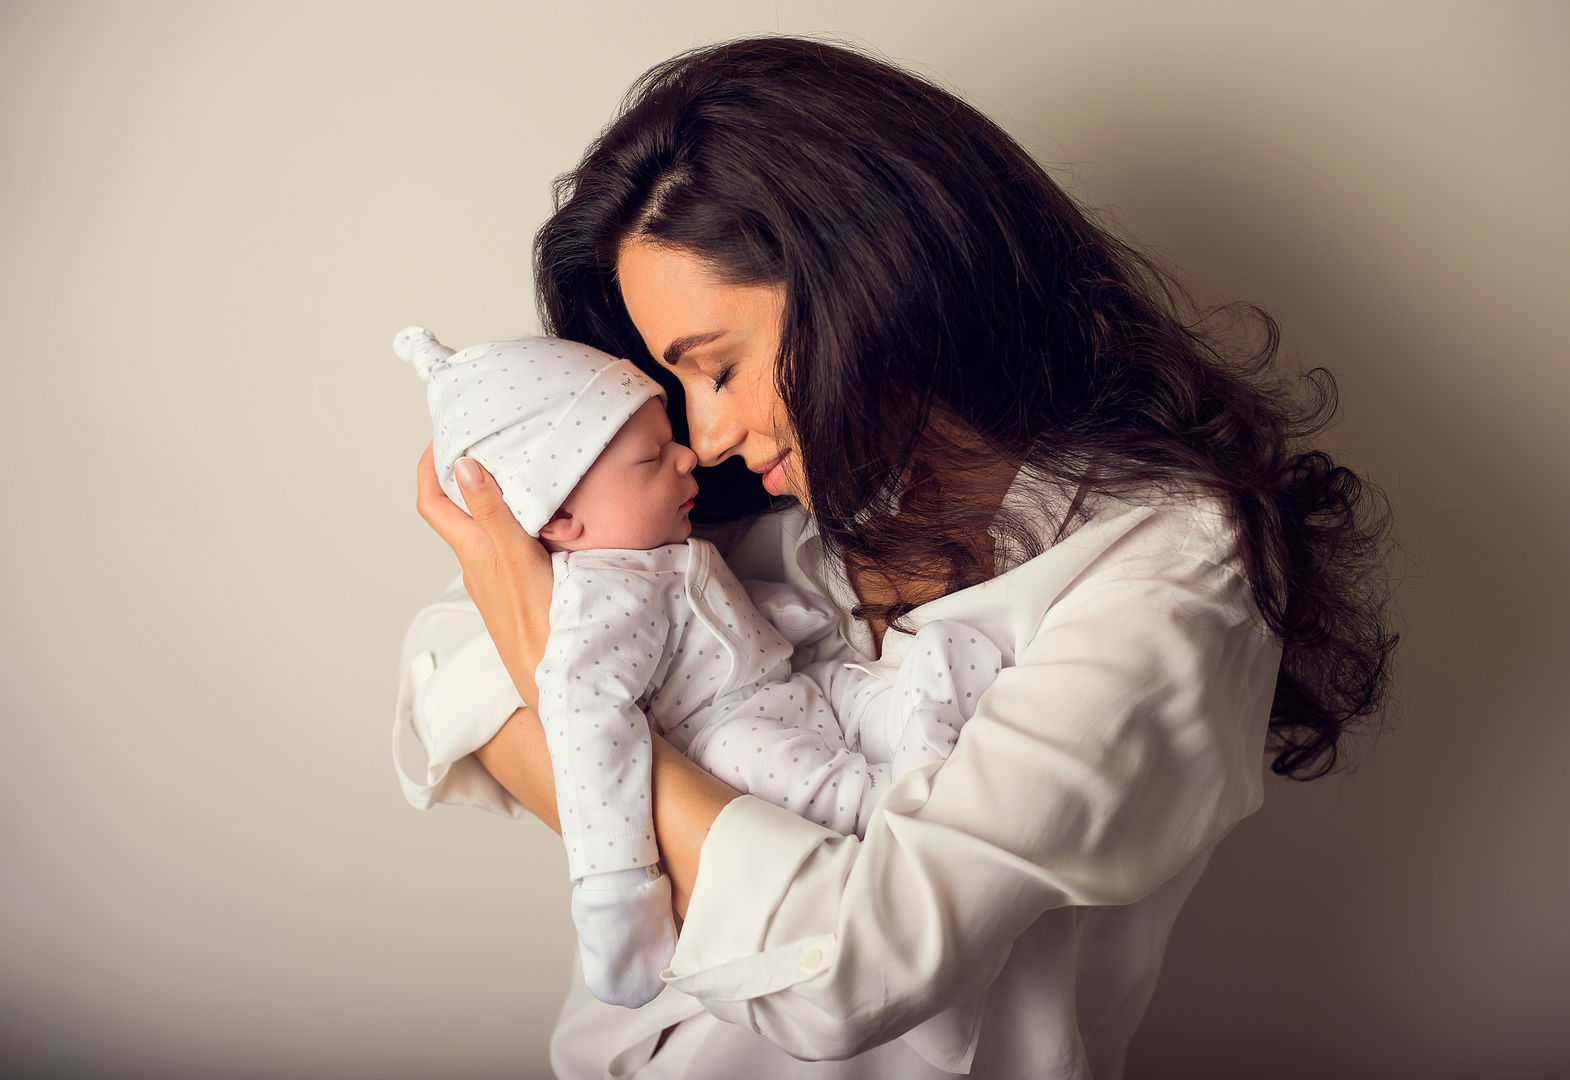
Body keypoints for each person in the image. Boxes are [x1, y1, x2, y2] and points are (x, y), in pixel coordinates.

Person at [408, 36, 1397, 1080]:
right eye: (677, 383)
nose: (700, 434)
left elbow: (854, 969)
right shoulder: (765, 506)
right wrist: (562, 688)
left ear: (869, 275)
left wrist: (562, 692)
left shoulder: (1165, 569)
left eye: (721, 365)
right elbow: (438, 658)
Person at [393, 326, 998, 1010]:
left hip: (790, 687)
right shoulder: (600, 600)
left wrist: (791, 618)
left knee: (878, 687)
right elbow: (592, 741)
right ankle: (892, 799)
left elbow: (708, 615)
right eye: (652, 457)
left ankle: (917, 726)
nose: (690, 454)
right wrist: (618, 900)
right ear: (559, 513)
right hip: (727, 734)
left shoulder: (659, 549)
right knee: (787, 766)